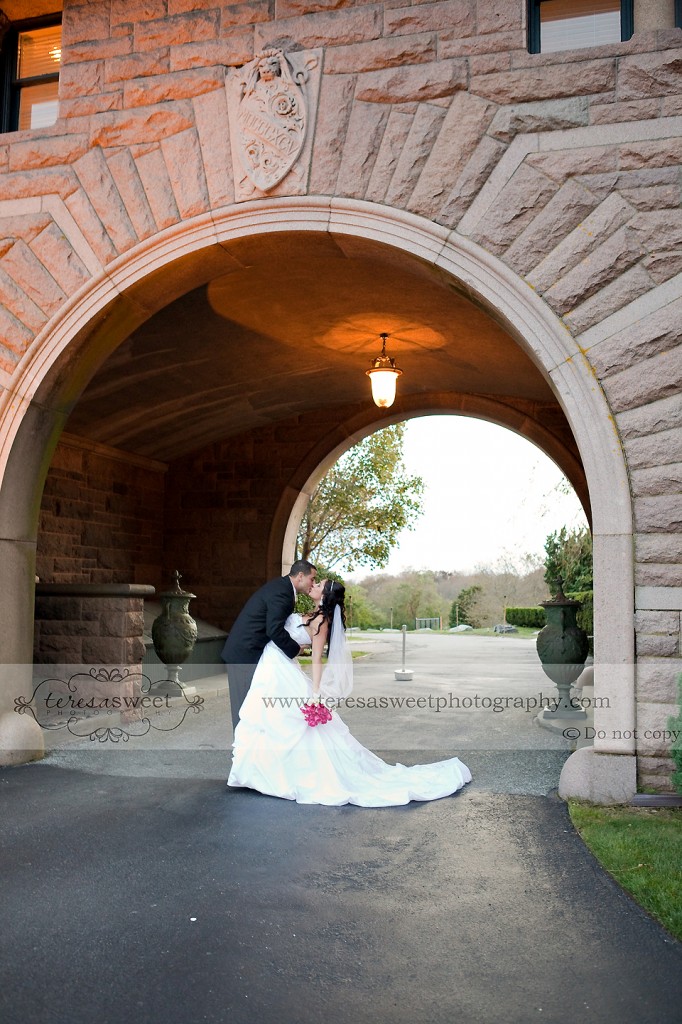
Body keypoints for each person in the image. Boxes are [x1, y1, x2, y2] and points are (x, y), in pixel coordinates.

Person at [228, 579, 472, 807]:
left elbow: (316, 660)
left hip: (280, 673)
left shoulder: (321, 623)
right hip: (273, 669)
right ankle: (259, 773)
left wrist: (315, 694)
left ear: (325, 595)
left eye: (319, 584)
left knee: (281, 724)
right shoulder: (312, 615)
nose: (314, 584)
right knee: (267, 723)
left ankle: (272, 775)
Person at [222, 560, 317, 729]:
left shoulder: (282, 588)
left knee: (251, 706)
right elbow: (274, 629)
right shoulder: (283, 593)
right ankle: (242, 752)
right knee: (244, 706)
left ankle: (249, 749)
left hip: (251, 651)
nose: (313, 583)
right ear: (300, 576)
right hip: (245, 653)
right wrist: (295, 649)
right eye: (312, 579)